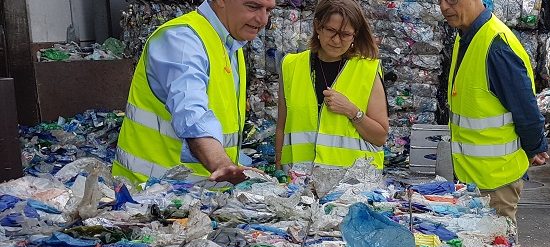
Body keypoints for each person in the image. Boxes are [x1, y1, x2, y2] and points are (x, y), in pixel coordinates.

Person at [113, 0, 276, 185]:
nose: (263, 19)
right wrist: (220, 163)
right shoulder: (182, 40)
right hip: (148, 195)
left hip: (194, 196)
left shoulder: (230, 46)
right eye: (253, 7)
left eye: (269, 10)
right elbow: (190, 111)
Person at [440, 0, 549, 222]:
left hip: (495, 182)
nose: (443, 7)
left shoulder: (496, 45)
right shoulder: (466, 37)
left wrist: (534, 147)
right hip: (473, 178)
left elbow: (527, 112)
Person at [275, 0, 388, 174]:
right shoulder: (291, 66)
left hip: (351, 188)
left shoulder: (367, 70)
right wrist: (279, 171)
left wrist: (352, 111)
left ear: (354, 35)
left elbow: (380, 137)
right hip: (299, 182)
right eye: (331, 31)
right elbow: (282, 127)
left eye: (345, 34)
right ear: (317, 27)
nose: (336, 40)